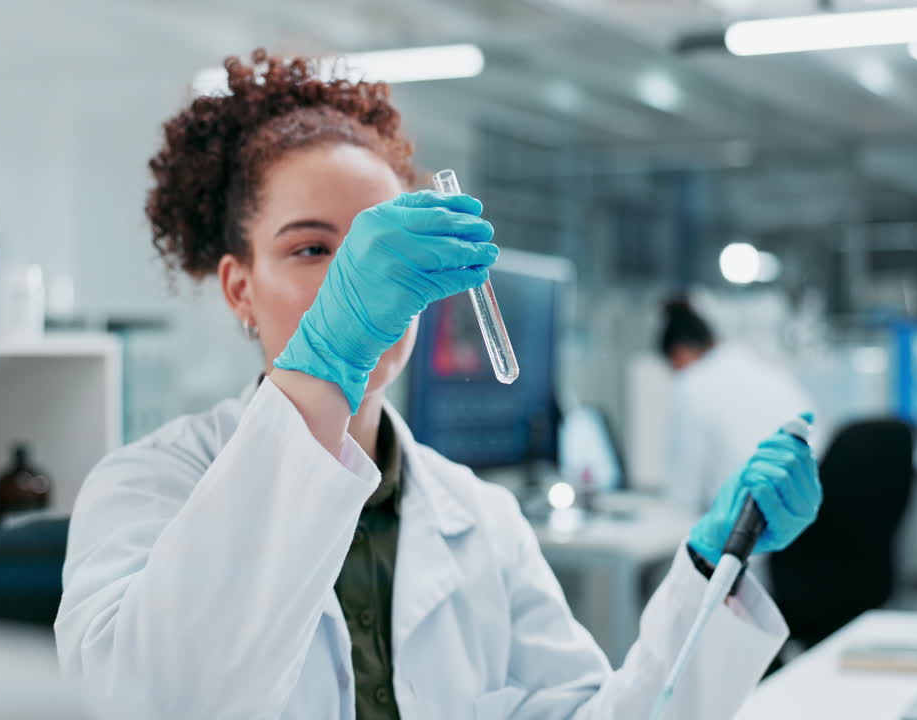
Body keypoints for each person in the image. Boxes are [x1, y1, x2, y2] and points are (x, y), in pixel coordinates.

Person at [53, 51, 820, 719]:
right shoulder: (147, 487)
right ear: (239, 288)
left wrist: (709, 572)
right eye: (313, 249)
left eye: (379, 252)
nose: (360, 282)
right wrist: (322, 365)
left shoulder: (481, 520)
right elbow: (151, 702)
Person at [659, 298, 815, 514]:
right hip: (805, 519)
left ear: (679, 353)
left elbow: (683, 495)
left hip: (743, 524)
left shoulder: (693, 383)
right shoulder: (773, 375)